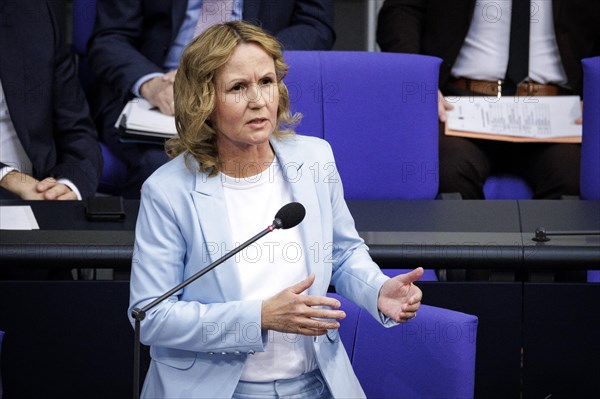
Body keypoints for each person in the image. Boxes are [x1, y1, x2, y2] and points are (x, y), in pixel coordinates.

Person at [129, 21, 423, 399]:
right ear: (203, 100)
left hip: (315, 384)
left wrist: (378, 289)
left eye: (266, 81)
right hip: (216, 390)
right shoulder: (168, 192)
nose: (258, 100)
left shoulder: (314, 158)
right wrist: (259, 318)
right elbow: (150, 316)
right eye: (238, 87)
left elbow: (343, 251)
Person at [87, 0, 335, 198]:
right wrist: (151, 84)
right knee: (161, 163)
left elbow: (315, 24)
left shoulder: (317, 155)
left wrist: (254, 58)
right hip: (156, 90)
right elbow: (110, 37)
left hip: (247, 80)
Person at [377, 0, 600, 199]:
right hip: (459, 105)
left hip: (560, 112)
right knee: (446, 171)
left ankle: (551, 248)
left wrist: (596, 94)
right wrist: (419, 83)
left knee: (576, 175)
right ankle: (467, 246)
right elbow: (402, 9)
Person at [0, 0, 102, 200]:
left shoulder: (33, 11)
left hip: (40, 192)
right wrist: (9, 178)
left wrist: (68, 186)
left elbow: (76, 128)